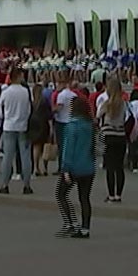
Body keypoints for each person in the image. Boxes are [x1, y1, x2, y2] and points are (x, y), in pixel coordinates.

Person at [56, 94, 97, 238]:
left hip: (74, 166)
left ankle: (70, 223)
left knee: (61, 194)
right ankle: (85, 228)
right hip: (88, 166)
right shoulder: (90, 126)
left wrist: (65, 168)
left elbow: (68, 149)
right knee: (84, 198)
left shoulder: (72, 126)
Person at [0, 73, 34, 195]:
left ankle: (5, 184)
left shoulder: (6, 92)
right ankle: (26, 185)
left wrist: (5, 117)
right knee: (25, 156)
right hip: (22, 126)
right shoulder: (25, 91)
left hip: (9, 125)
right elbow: (29, 109)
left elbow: (0, 108)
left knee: (8, 156)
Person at [98, 79, 130, 203]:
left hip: (109, 135)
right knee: (119, 167)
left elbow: (98, 115)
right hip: (120, 135)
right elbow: (127, 117)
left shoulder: (106, 104)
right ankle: (118, 195)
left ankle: (111, 195)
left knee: (110, 167)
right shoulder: (123, 104)